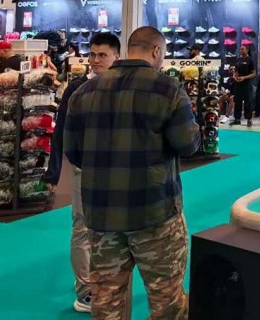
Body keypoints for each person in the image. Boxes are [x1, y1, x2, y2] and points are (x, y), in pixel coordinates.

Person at [64, 27, 200, 320]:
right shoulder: (168, 89)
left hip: (102, 216)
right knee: (167, 302)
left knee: (106, 303)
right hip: (155, 214)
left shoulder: (83, 92)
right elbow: (188, 144)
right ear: (157, 51)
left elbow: (73, 153)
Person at [44, 33, 121, 313]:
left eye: (103, 55)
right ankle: (85, 291)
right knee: (82, 228)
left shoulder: (124, 88)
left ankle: (107, 283)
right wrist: (53, 173)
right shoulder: (77, 89)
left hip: (118, 171)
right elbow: (61, 133)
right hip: (84, 169)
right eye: (93, 54)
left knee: (113, 228)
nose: (96, 60)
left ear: (116, 57)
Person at [232, 45, 256, 127]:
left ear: (247, 50)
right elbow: (235, 71)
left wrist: (244, 77)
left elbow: (254, 73)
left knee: (247, 101)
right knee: (237, 101)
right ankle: (237, 119)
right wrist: (235, 76)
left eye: (242, 49)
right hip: (238, 83)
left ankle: (249, 119)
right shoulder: (238, 60)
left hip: (247, 83)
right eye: (240, 49)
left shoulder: (250, 60)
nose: (241, 50)